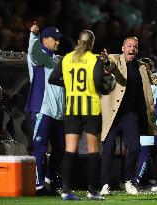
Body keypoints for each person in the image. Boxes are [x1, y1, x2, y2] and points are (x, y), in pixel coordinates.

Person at [99, 36, 157, 195]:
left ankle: (128, 180)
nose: (132, 49)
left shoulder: (142, 66)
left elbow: (156, 79)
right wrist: (105, 62)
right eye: (129, 46)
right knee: (108, 150)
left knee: (135, 148)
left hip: (130, 115)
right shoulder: (114, 59)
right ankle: (105, 184)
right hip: (113, 115)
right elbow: (108, 66)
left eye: (135, 47)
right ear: (123, 48)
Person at [49, 30, 108, 201]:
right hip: (91, 108)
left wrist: (68, 85)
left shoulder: (67, 58)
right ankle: (92, 191)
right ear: (92, 43)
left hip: (72, 108)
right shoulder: (94, 59)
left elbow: (52, 78)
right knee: (93, 151)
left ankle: (66, 190)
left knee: (69, 150)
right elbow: (98, 83)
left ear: (78, 41)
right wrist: (106, 88)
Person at [25, 23, 65, 195]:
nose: (58, 42)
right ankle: (38, 184)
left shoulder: (57, 60)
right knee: (40, 148)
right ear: (45, 40)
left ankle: (49, 180)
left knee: (61, 148)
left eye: (59, 39)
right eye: (55, 39)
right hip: (42, 110)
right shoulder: (38, 56)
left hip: (58, 114)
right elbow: (32, 53)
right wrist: (33, 36)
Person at [132, 58, 157, 191]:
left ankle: (135, 180)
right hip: (141, 121)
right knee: (144, 151)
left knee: (145, 149)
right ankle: (152, 181)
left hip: (152, 124)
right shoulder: (137, 80)